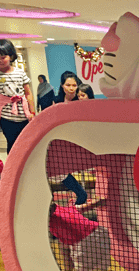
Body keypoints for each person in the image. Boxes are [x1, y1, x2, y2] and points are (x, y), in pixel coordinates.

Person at [49, 202, 122, 271]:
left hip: (86, 242)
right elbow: (85, 206)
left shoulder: (50, 219)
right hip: (100, 233)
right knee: (64, 250)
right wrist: (100, 201)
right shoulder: (66, 209)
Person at [51, 71, 88, 205]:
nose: (72, 88)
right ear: (62, 85)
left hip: (79, 139)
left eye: (74, 85)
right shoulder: (56, 101)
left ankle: (81, 194)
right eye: (68, 85)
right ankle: (80, 193)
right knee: (55, 168)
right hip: (62, 139)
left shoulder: (82, 99)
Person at [0, 38, 35, 154]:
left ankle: (26, 166)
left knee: (26, 142)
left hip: (24, 115)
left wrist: (32, 112)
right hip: (6, 117)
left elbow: (28, 93)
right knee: (12, 142)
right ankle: (12, 170)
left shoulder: (20, 72)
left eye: (3, 57)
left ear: (11, 56)